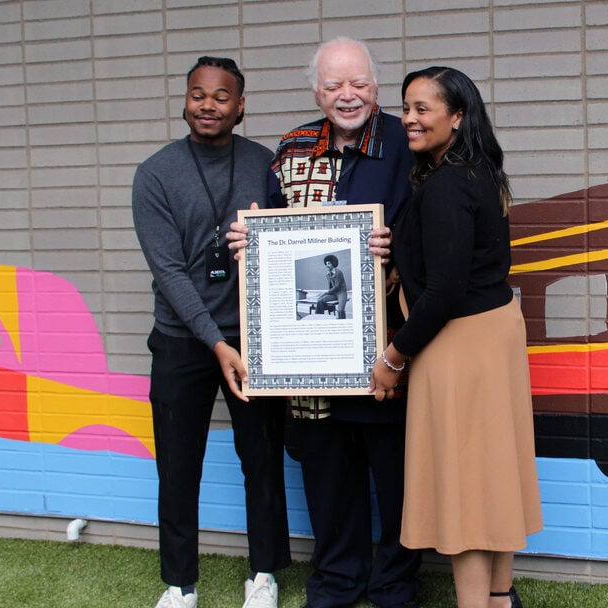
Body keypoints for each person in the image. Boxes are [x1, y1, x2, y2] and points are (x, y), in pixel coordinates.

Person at [229, 37, 421, 608]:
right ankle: (338, 578)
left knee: (397, 476)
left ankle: (394, 581)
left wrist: (399, 244)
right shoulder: (290, 149)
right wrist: (249, 243)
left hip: (388, 345)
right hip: (310, 354)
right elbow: (272, 234)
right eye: (334, 84)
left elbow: (437, 229)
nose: (347, 95)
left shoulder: (404, 143)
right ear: (316, 90)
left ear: (376, 87)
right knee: (327, 472)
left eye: (358, 83)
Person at [370, 66, 543, 608]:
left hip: (460, 340)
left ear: (457, 116)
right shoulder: (479, 172)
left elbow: (442, 290)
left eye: (424, 109)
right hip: (492, 335)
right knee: (492, 476)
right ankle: (498, 597)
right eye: (406, 108)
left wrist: (393, 358)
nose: (410, 119)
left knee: (469, 489)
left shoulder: (446, 184)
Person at [132, 56, 290, 608]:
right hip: (181, 340)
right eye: (198, 94)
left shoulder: (265, 166)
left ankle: (264, 574)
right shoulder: (155, 172)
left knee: (262, 458)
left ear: (240, 106)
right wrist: (215, 342)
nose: (208, 105)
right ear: (185, 100)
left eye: (221, 97)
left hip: (254, 337)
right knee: (177, 463)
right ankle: (180, 585)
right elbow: (169, 271)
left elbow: (288, 248)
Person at [315, 254, 349, 318]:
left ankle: (342, 323)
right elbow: (330, 286)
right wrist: (324, 295)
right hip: (334, 294)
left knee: (340, 310)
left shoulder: (338, 272)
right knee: (320, 300)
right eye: (326, 264)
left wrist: (325, 293)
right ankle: (319, 317)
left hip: (341, 293)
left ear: (333, 263)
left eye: (329, 263)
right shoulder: (328, 274)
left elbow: (337, 287)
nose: (327, 265)